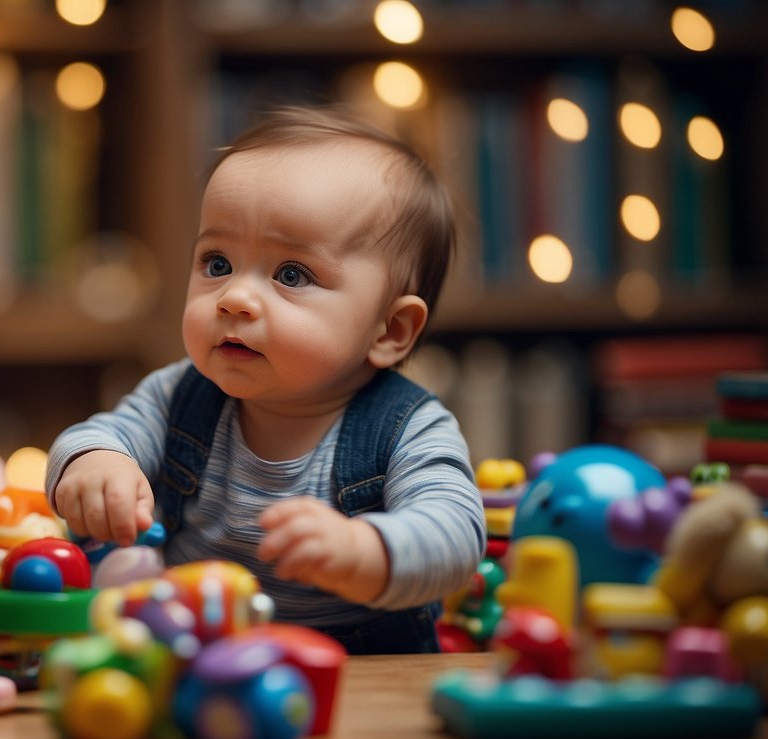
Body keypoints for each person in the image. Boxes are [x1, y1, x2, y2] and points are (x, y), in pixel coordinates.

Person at [46, 105, 485, 654]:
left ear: (390, 329)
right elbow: (96, 435)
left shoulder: (408, 429)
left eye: (291, 274)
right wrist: (95, 464)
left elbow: (457, 537)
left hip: (359, 674)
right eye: (217, 263)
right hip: (194, 654)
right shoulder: (179, 394)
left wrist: (365, 550)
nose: (233, 297)